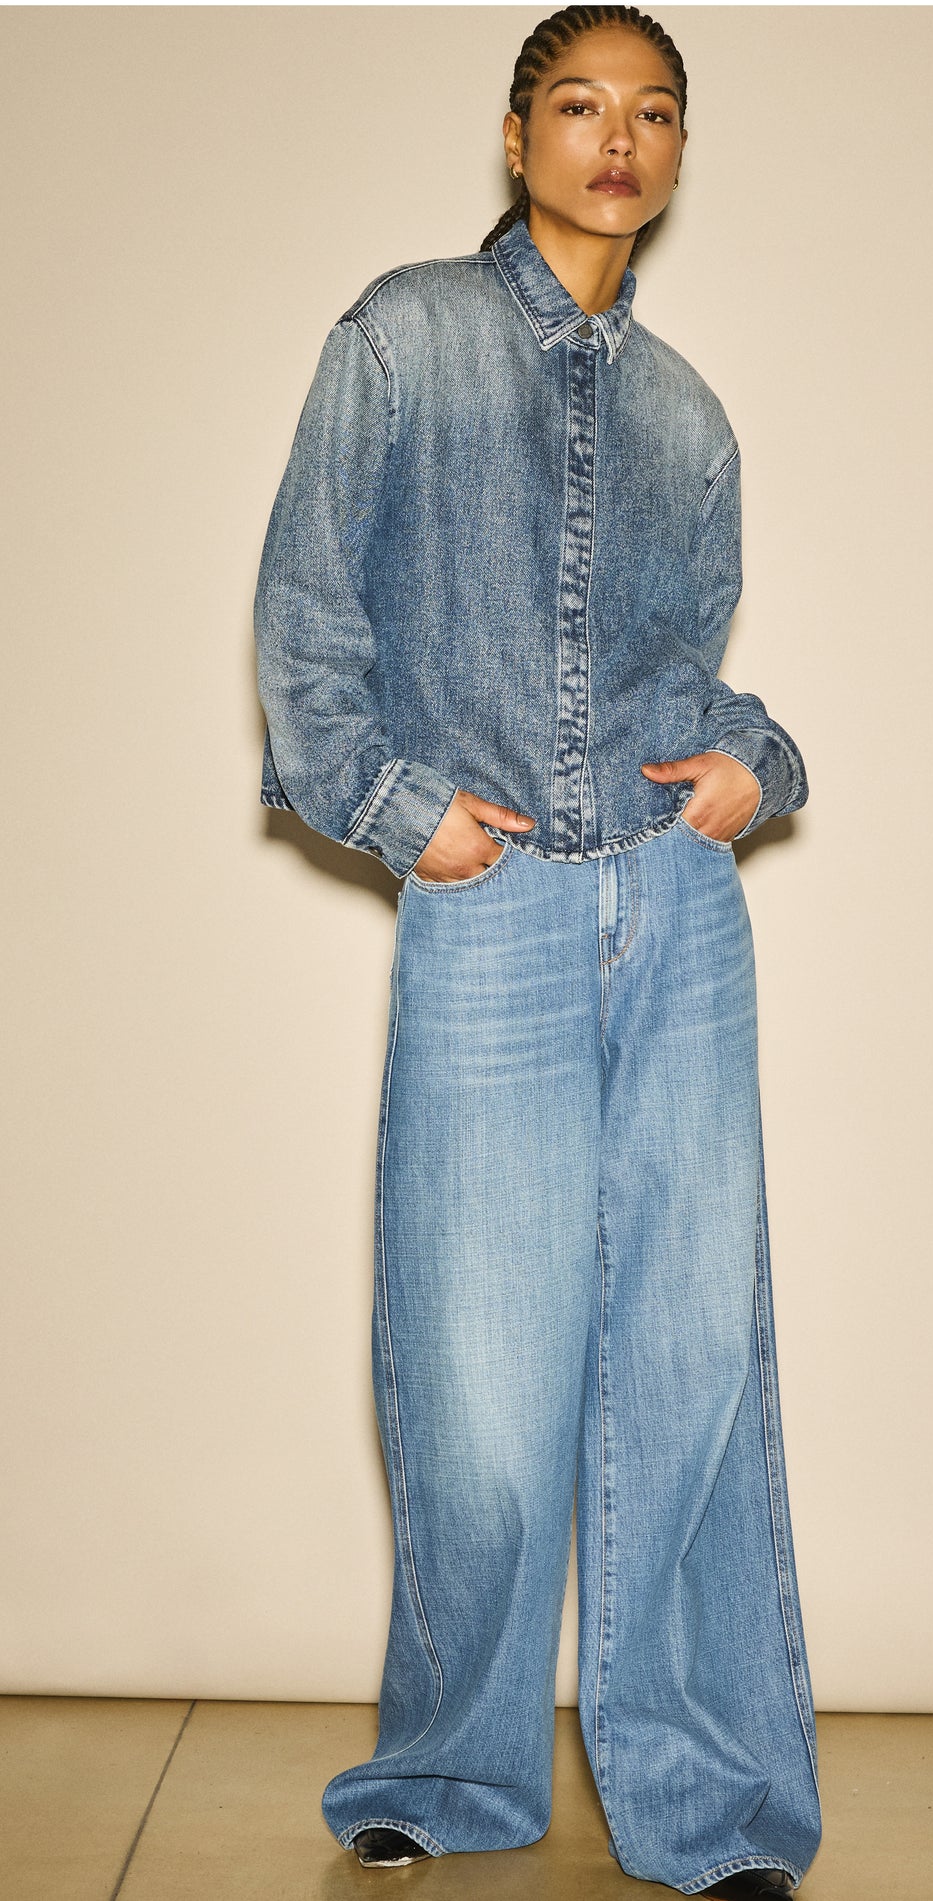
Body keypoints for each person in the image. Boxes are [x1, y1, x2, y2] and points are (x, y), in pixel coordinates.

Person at [253, 8, 821, 1893]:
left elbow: (688, 673)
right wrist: (392, 805)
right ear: (516, 138)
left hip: (675, 906)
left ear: (680, 151)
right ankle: (451, 1769)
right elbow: (307, 617)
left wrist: (756, 764)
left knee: (690, 1361)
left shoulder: (688, 417)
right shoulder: (401, 336)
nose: (617, 139)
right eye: (579, 104)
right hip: (492, 902)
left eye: (654, 112)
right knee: (479, 1375)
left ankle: (710, 1804)